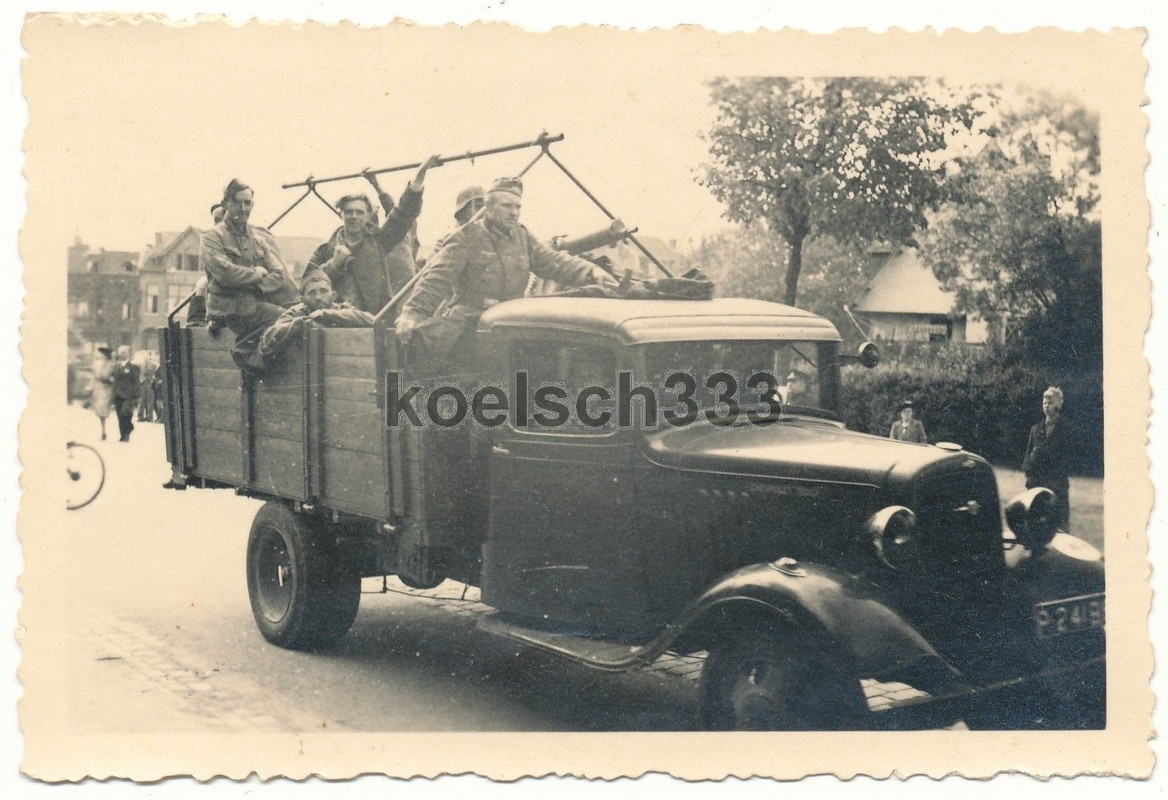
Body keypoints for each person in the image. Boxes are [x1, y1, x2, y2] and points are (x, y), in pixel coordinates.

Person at [395, 176, 618, 358]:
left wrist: (592, 271)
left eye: (517, 207)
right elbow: (436, 280)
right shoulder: (467, 237)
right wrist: (412, 315)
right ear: (488, 209)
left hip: (511, 327)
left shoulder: (522, 237)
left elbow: (554, 262)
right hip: (471, 327)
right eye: (507, 206)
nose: (514, 212)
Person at [301, 155, 440, 315]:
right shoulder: (325, 251)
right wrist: (334, 265)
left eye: (359, 212)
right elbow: (307, 284)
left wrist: (421, 173)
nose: (354, 216)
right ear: (341, 215)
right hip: (335, 321)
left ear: (367, 216)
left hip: (374, 320)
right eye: (349, 212)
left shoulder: (379, 241)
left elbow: (402, 214)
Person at [200, 178, 296, 372]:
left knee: (296, 316)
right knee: (287, 319)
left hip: (251, 306)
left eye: (248, 203)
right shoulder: (211, 237)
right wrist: (256, 274)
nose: (243, 208)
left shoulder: (257, 240)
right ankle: (246, 352)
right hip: (229, 310)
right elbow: (224, 273)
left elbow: (279, 275)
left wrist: (251, 285)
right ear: (226, 203)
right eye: (237, 202)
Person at [259, 272, 375, 362]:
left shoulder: (340, 309)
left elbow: (371, 319)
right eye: (312, 293)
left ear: (333, 296)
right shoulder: (297, 311)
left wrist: (326, 314)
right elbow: (270, 335)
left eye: (323, 291)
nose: (318, 297)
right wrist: (298, 324)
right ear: (303, 299)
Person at [1022, 386, 1071, 531]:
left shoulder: (1066, 429)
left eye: (1050, 403)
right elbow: (1027, 459)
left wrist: (1044, 456)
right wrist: (1029, 473)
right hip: (1036, 486)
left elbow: (1067, 460)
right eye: (1044, 403)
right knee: (1035, 525)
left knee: (1059, 528)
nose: (1046, 406)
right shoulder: (1035, 429)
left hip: (1056, 487)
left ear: (1058, 405)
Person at [110, 345, 141, 442]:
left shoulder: (133, 367)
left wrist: (137, 396)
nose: (122, 354)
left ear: (128, 354)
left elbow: (136, 382)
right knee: (119, 415)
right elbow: (113, 379)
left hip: (129, 396)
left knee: (126, 414)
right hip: (118, 395)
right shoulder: (116, 366)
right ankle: (123, 434)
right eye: (120, 353)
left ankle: (127, 431)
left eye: (124, 352)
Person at [90, 346, 114, 440]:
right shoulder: (97, 364)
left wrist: (106, 377)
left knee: (103, 409)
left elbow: (106, 375)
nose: (100, 356)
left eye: (102, 355)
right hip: (99, 388)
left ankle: (104, 431)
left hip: (106, 388)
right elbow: (96, 375)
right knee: (100, 410)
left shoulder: (110, 364)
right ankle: (103, 430)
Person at [137, 353, 158, 423]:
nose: (147, 359)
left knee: (150, 401)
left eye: (148, 357)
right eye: (145, 357)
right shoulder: (140, 365)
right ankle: (140, 416)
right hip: (142, 383)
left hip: (149, 383)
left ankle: (149, 416)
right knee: (141, 400)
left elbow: (154, 371)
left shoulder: (152, 365)